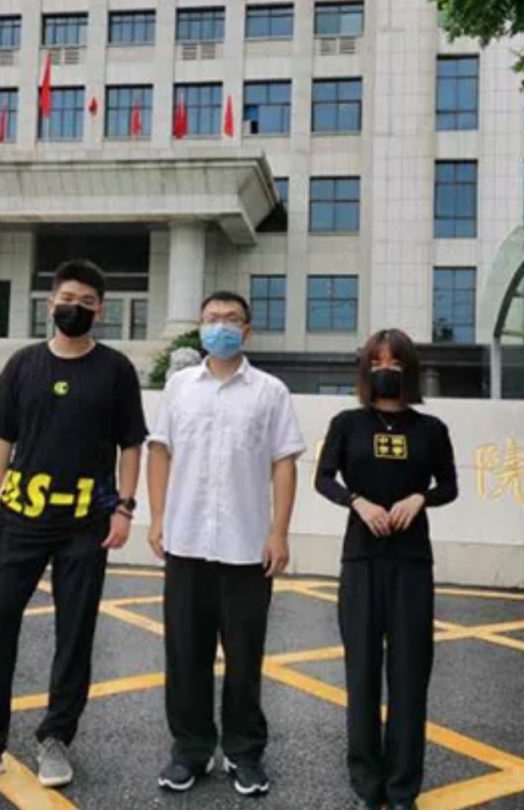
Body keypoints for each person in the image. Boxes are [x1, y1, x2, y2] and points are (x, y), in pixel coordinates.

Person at [0, 259, 148, 795]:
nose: (77, 308)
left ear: (102, 310)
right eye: (68, 298)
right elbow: (1, 439)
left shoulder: (115, 370)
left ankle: (56, 737)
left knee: (75, 633)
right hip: (20, 518)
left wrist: (124, 508)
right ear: (50, 304)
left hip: (85, 523)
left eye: (89, 302)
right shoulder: (23, 365)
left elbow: (131, 443)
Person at [148, 291, 305, 798]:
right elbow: (160, 451)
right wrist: (157, 518)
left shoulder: (270, 391)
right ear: (199, 326)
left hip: (246, 547)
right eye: (212, 319)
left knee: (244, 658)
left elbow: (284, 462)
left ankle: (244, 753)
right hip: (186, 540)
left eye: (231, 319)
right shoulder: (179, 388)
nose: (221, 326)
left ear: (248, 330)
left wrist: (278, 532)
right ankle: (190, 751)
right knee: (185, 655)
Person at [314, 329, 458, 810]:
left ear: (410, 370)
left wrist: (422, 496)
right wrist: (358, 502)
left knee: (410, 672)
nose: (386, 370)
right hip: (361, 560)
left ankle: (402, 789)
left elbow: (450, 485)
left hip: (412, 562)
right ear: (365, 368)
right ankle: (366, 784)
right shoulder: (348, 423)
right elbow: (323, 479)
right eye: (377, 361)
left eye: (396, 363)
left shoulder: (430, 429)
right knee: (362, 672)